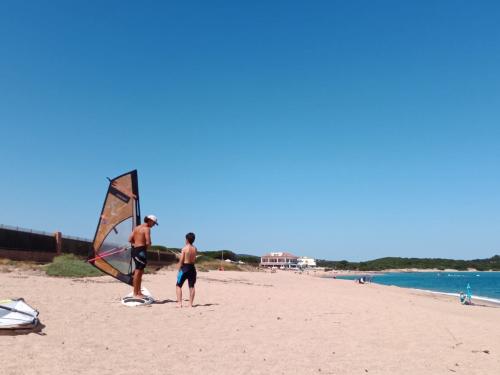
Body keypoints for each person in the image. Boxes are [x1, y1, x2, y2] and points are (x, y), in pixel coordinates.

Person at [128, 214, 158, 298]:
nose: (154, 225)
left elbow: (130, 239)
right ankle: (135, 293)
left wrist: (136, 245)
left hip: (135, 250)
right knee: (138, 272)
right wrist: (145, 246)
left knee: (140, 272)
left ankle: (138, 292)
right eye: (154, 223)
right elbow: (148, 242)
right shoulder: (147, 229)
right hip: (141, 251)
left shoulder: (137, 228)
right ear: (150, 221)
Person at [176, 232, 198, 307]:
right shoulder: (195, 248)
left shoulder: (185, 248)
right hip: (192, 268)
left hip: (185, 267)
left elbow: (181, 260)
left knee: (178, 285)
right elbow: (194, 259)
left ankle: (179, 303)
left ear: (187, 239)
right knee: (191, 286)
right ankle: (190, 304)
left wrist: (179, 269)